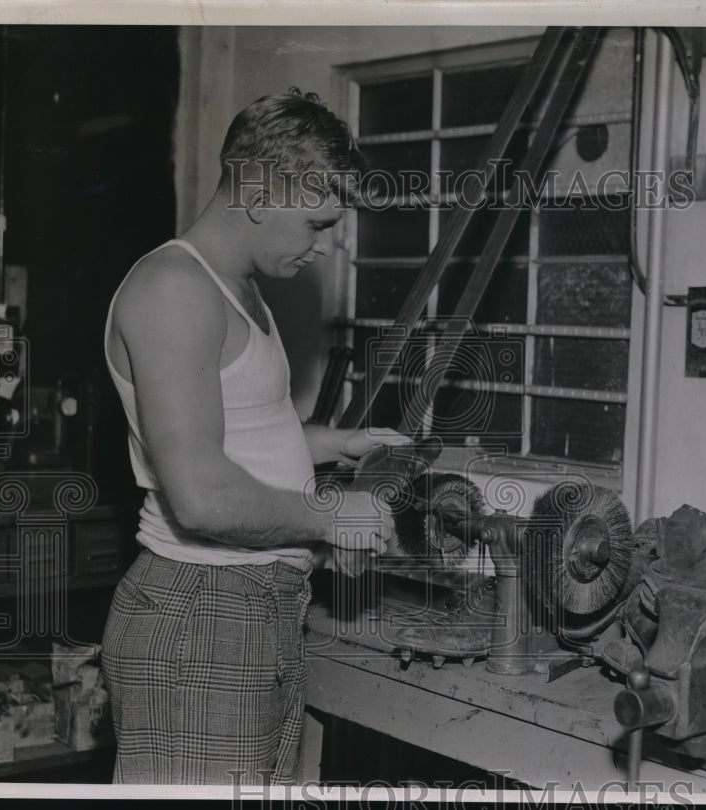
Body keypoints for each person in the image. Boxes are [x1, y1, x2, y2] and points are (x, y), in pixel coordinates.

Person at [100, 90, 408, 785]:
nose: (328, 244)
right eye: (318, 221)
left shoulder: (235, 286)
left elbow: (225, 428)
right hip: (202, 611)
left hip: (254, 605)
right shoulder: (175, 289)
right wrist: (335, 515)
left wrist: (329, 442)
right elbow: (202, 496)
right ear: (262, 194)